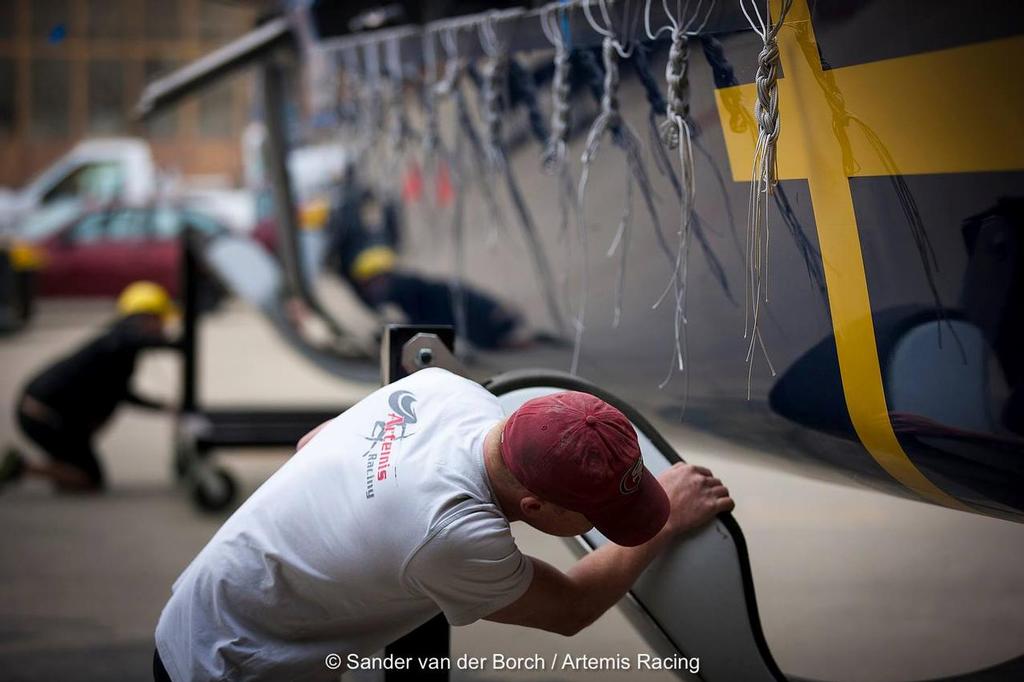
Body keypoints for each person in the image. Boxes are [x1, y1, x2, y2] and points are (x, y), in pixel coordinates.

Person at [153, 367, 734, 681]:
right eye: (600, 517)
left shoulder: (446, 391)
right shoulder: (453, 532)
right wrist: (667, 524)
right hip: (229, 661)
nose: (611, 524)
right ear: (535, 510)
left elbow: (316, 440)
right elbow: (571, 608)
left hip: (214, 598)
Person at [0, 281, 179, 492]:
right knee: (89, 479)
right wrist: (175, 345)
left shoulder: (116, 345)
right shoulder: (120, 340)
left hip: (42, 412)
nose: (164, 328)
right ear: (147, 317)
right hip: (42, 418)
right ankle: (22, 468)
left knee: (79, 474)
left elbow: (120, 391)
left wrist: (163, 407)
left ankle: (61, 468)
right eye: (160, 320)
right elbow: (130, 342)